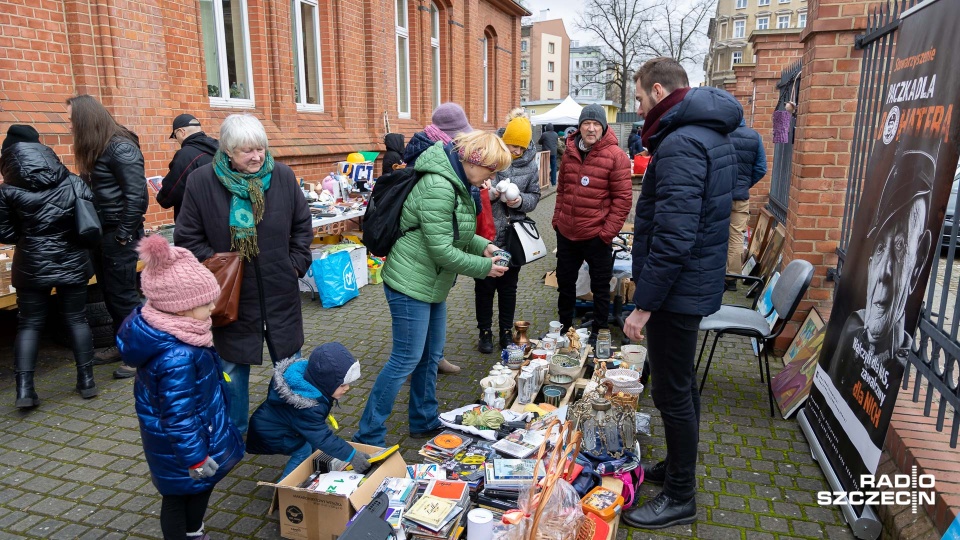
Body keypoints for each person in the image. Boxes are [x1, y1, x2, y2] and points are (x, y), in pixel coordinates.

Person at [621, 57, 741, 529]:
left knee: (672, 395)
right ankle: (675, 468)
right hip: (690, 284)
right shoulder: (708, 132)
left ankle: (680, 496)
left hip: (675, 291)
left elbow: (674, 235)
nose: (637, 106)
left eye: (636, 98)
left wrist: (643, 305)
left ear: (655, 91)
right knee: (681, 387)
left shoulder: (682, 143)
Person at [353, 130, 512, 446]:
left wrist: (484, 247)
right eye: (490, 170)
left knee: (430, 356)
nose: (491, 179)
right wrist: (484, 267)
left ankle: (424, 420)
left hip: (431, 282)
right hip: (410, 283)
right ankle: (368, 433)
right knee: (405, 359)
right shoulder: (439, 185)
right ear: (473, 160)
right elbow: (442, 250)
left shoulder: (458, 182)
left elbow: (457, 233)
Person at [175, 113, 313, 435]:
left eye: (260, 149)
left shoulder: (281, 176)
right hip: (231, 299)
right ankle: (233, 434)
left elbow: (302, 227)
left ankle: (277, 428)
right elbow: (188, 238)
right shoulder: (201, 182)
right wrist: (221, 269)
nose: (256, 157)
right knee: (232, 372)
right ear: (226, 151)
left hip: (280, 292)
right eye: (246, 151)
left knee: (289, 368)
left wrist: (294, 263)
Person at [118, 234, 244, 540]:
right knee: (180, 497)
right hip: (184, 448)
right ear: (180, 307)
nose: (214, 306)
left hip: (188, 439)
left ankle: (194, 531)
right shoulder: (178, 355)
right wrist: (196, 458)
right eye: (205, 303)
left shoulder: (178, 332)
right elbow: (178, 415)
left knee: (196, 492)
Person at [825, 150, 934, 448]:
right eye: (880, 246)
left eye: (900, 247)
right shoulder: (851, 329)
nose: (885, 272)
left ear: (918, 263)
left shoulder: (897, 368)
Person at [0, 125, 99, 408]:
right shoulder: (73, 181)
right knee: (77, 319)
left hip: (32, 262)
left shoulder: (7, 190)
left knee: (29, 324)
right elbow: (90, 219)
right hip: (72, 259)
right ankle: (87, 381)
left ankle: (24, 391)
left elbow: (5, 234)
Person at [65, 95, 148, 379]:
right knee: (110, 295)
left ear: (85, 119)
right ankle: (121, 345)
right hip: (103, 234)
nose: (69, 126)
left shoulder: (121, 147)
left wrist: (124, 234)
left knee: (124, 297)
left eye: (71, 120)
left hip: (118, 234)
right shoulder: (98, 147)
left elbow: (137, 195)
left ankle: (140, 355)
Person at [402, 102, 477, 375]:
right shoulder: (431, 156)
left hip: (434, 250)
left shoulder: (449, 154)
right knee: (408, 351)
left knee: (435, 309)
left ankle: (433, 357)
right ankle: (420, 361)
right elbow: (437, 230)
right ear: (447, 133)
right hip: (419, 257)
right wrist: (483, 266)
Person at [551, 104, 632, 343]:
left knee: (599, 287)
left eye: (596, 124)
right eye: (587, 123)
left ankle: (599, 332)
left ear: (604, 127)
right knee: (565, 284)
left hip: (596, 235)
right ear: (580, 126)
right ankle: (564, 330)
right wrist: (557, 220)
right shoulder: (569, 152)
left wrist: (606, 234)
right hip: (567, 232)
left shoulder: (616, 156)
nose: (591, 128)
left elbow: (623, 200)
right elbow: (562, 190)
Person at [247, 343, 371, 479]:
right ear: (326, 382)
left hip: (279, 425)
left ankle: (309, 472)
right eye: (342, 385)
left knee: (311, 443)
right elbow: (322, 437)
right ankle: (283, 488)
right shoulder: (307, 406)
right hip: (270, 433)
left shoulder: (312, 383)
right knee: (303, 450)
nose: (347, 388)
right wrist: (352, 455)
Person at [475, 109, 541, 352]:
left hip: (514, 236)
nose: (516, 152)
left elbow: (535, 196)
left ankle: (505, 330)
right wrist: (490, 195)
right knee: (484, 285)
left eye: (520, 148)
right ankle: (484, 332)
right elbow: (474, 191)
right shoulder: (489, 155)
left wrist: (519, 201)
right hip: (487, 232)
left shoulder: (530, 165)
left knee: (508, 287)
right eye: (512, 146)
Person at [725, 119, 767, 291]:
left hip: (719, 195)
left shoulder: (722, 135)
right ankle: (732, 279)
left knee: (714, 233)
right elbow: (761, 168)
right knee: (735, 237)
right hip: (740, 197)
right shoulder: (755, 137)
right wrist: (744, 185)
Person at [156, 114, 219, 220]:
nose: (177, 140)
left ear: (181, 132)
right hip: (219, 214)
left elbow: (173, 189)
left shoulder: (186, 154)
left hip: (195, 220)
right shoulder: (219, 148)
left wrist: (161, 195)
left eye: (175, 136)